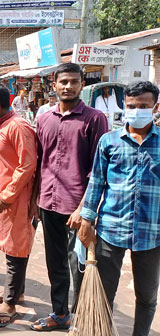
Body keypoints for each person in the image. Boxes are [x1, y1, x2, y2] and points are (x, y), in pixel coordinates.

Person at [31, 63, 109, 332]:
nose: (68, 86)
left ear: (81, 85)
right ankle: (60, 314)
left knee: (80, 263)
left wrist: (84, 208)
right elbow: (40, 162)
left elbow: (98, 168)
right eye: (63, 81)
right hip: (47, 202)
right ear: (54, 85)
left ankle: (84, 316)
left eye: (74, 81)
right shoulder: (43, 119)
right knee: (55, 262)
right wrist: (34, 201)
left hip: (78, 205)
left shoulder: (95, 119)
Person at [79, 81, 160, 336]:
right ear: (125, 105)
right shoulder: (109, 141)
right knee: (104, 294)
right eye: (132, 106)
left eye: (144, 106)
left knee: (147, 297)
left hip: (152, 234)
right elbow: (96, 183)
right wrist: (86, 219)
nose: (137, 110)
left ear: (155, 106)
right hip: (110, 230)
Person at [0, 82, 37, 329]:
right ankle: (16, 293)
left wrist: (9, 194)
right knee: (8, 247)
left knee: (16, 249)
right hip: (1, 198)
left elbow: (27, 165)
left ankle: (10, 304)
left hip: (16, 200)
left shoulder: (18, 126)